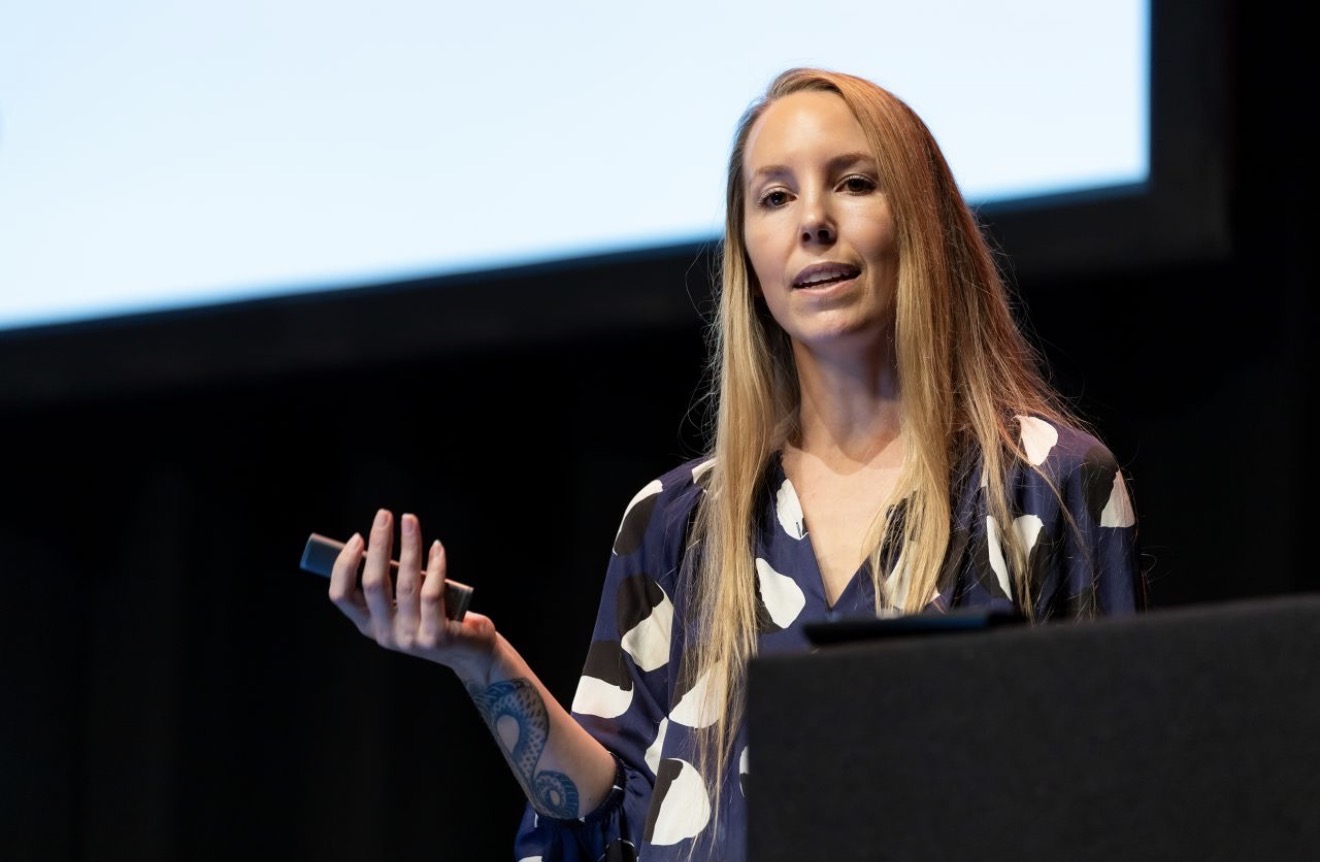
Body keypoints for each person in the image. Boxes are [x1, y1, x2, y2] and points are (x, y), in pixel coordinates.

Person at [328, 66, 1146, 862]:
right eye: (775, 197)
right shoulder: (677, 522)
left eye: (854, 183)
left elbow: (1113, 798)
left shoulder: (1047, 484)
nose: (812, 221)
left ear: (922, 222)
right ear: (748, 253)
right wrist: (479, 659)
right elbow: (603, 821)